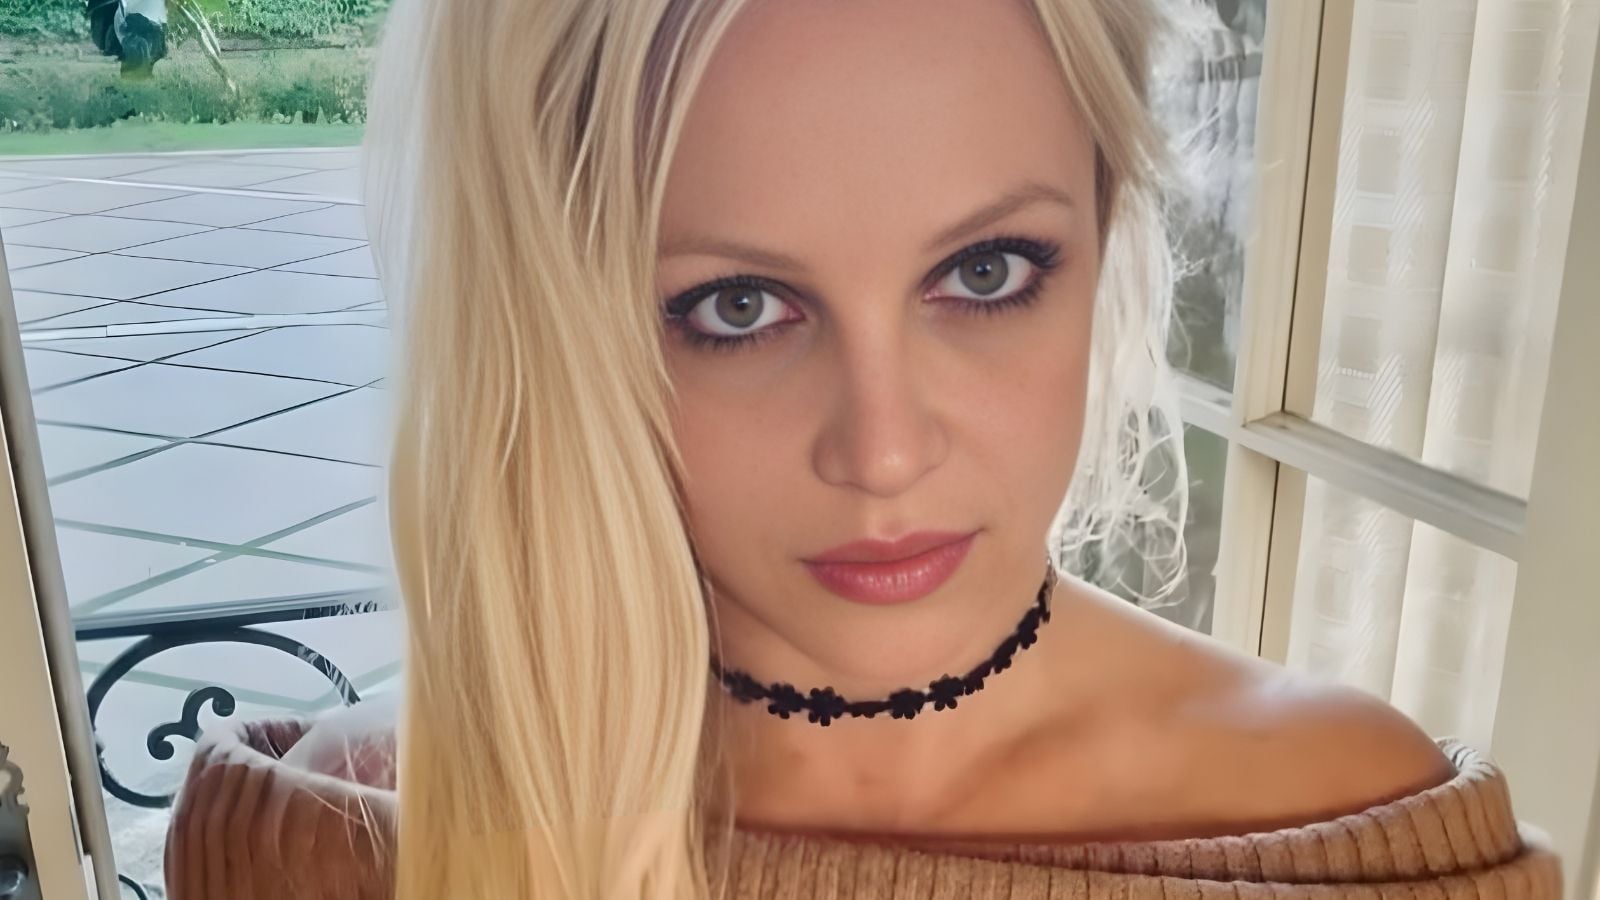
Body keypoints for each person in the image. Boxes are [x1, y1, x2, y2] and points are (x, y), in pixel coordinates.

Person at [163, 0, 1565, 897]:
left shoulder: (1359, 839)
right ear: (556, 329)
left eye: (988, 273)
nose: (884, 454)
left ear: (1104, 230)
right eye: (737, 307)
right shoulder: (349, 836)